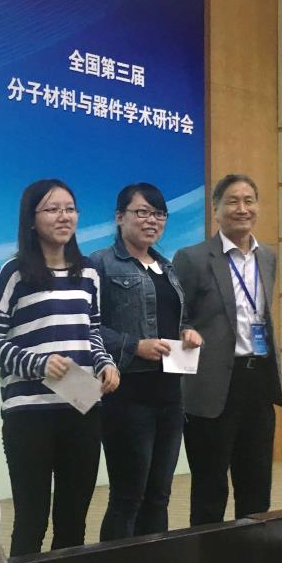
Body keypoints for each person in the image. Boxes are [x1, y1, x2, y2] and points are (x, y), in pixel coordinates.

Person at [0, 179, 120, 556]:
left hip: (82, 405)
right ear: (31, 219)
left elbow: (92, 331)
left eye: (70, 209)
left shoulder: (88, 272)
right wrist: (36, 363)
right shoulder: (15, 272)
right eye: (53, 209)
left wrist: (105, 363)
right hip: (29, 413)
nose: (64, 216)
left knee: (73, 519)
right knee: (32, 519)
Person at [172, 173, 282, 525]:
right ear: (216, 209)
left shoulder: (267, 257)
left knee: (257, 486)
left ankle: (251, 554)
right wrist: (186, 332)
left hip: (259, 381)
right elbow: (174, 317)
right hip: (212, 385)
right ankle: (208, 556)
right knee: (210, 488)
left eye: (249, 200)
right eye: (233, 201)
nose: (242, 208)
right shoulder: (192, 258)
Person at [91, 183, 201, 541]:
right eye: (142, 212)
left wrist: (188, 333)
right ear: (119, 217)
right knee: (128, 497)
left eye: (158, 214)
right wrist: (133, 346)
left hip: (169, 395)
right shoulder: (100, 264)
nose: (151, 220)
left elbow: (174, 319)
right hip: (126, 394)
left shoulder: (166, 267)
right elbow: (86, 326)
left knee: (159, 495)